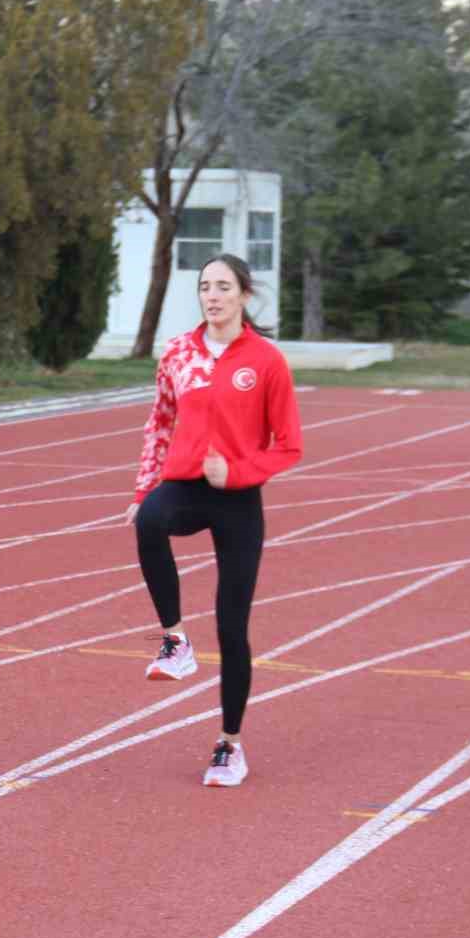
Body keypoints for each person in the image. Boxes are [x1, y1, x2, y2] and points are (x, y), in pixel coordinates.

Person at [124, 253, 302, 786]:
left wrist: (241, 471)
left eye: (224, 286)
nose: (213, 295)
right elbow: (159, 424)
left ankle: (229, 744)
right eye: (206, 286)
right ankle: (175, 641)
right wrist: (143, 488)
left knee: (233, 627)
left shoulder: (266, 361)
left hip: (238, 500)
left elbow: (289, 446)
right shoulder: (178, 353)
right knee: (148, 522)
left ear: (244, 295)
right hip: (184, 485)